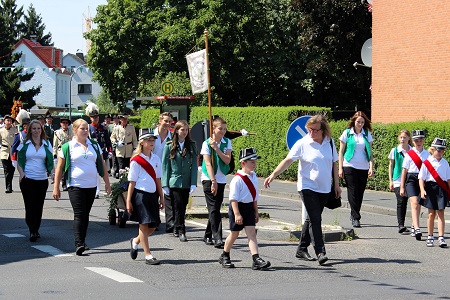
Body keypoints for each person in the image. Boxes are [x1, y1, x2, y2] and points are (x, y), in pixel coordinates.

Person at [264, 115, 340, 265]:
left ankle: (301, 249)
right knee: (316, 219)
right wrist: (273, 174)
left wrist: (336, 185)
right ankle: (320, 251)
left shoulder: (329, 142)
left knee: (311, 219)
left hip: (324, 187)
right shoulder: (302, 143)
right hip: (307, 186)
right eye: (309, 129)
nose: (312, 133)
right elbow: (288, 160)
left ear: (323, 130)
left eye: (315, 130)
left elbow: (334, 163)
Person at [52, 119, 111, 255]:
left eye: (87, 129)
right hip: (75, 185)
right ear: (75, 130)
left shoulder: (94, 145)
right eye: (82, 128)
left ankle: (83, 241)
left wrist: (107, 183)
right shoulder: (68, 146)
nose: (85, 131)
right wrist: (56, 187)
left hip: (91, 185)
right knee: (79, 214)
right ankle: (79, 243)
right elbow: (59, 168)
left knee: (85, 214)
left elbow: (102, 165)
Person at [219, 147, 271, 270]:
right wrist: (237, 214)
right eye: (252, 162)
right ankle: (225, 255)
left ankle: (256, 259)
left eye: (255, 162)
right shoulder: (237, 180)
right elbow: (233, 199)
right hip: (238, 208)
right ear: (243, 163)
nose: (254, 164)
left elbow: (254, 196)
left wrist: (256, 212)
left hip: (249, 208)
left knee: (251, 233)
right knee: (234, 234)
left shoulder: (254, 176)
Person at [126, 128, 164, 265]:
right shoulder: (136, 160)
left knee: (153, 225)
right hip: (141, 195)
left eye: (153, 140)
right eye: (148, 140)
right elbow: (132, 182)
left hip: (152, 195)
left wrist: (161, 197)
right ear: (142, 142)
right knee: (144, 223)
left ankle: (136, 241)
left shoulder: (156, 159)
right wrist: (128, 200)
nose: (151, 142)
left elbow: (158, 179)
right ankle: (148, 255)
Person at [16, 120, 54, 242]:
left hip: (42, 179)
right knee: (30, 205)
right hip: (28, 179)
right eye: (34, 129)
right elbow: (20, 161)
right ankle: (32, 230)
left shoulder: (47, 144)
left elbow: (50, 162)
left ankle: (36, 228)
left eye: (38, 128)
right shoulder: (24, 144)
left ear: (41, 130)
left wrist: (52, 173)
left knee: (39, 206)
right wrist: (22, 174)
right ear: (30, 130)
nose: (36, 131)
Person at [161, 120, 197, 242]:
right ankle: (181, 229)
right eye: (182, 130)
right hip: (174, 181)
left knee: (183, 205)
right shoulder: (169, 145)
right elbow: (165, 166)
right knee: (177, 205)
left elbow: (193, 166)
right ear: (176, 130)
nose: (185, 132)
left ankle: (176, 226)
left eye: (186, 130)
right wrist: (165, 184)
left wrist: (193, 182)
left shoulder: (191, 145)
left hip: (186, 182)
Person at [201, 116, 232, 249]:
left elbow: (227, 160)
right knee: (213, 208)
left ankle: (207, 234)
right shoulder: (206, 143)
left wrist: (217, 148)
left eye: (224, 129)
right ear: (214, 128)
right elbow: (208, 164)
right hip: (209, 178)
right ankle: (218, 238)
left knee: (216, 209)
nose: (223, 131)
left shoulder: (227, 142)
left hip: (221, 178)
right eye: (220, 128)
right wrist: (213, 181)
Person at [338, 111, 374, 228]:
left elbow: (370, 152)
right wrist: (340, 168)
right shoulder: (347, 133)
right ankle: (355, 217)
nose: (360, 124)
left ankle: (354, 213)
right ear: (354, 121)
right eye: (358, 121)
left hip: (363, 166)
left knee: (360, 192)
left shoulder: (366, 134)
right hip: (349, 165)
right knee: (352, 191)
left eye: (362, 122)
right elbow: (341, 151)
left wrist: (371, 167)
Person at [418, 138, 449, 248]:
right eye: (438, 150)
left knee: (441, 212)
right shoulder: (427, 162)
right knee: (431, 213)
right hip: (430, 188)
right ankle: (430, 236)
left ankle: (441, 237)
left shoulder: (445, 163)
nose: (440, 152)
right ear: (433, 149)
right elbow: (421, 178)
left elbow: (448, 179)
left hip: (441, 189)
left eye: (442, 150)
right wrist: (422, 190)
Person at [400, 130, 429, 241]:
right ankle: (417, 228)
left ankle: (413, 224)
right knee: (414, 203)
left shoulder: (427, 154)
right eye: (416, 140)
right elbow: (404, 171)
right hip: (411, 179)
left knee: (419, 203)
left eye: (421, 139)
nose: (419, 141)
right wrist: (402, 187)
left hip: (422, 180)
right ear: (413, 140)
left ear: (423, 140)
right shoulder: (409, 154)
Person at [153, 112, 174, 233]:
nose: (167, 124)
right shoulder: (151, 135)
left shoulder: (172, 138)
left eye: (170, 122)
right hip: (152, 170)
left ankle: (170, 223)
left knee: (168, 197)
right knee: (153, 196)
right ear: (160, 121)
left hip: (167, 171)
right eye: (165, 121)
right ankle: (155, 220)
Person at [86, 103, 112, 198]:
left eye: (96, 117)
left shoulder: (104, 128)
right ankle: (96, 191)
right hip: (91, 153)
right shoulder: (88, 128)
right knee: (95, 173)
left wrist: (109, 151)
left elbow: (108, 141)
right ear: (90, 118)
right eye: (93, 117)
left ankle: (103, 187)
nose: (95, 118)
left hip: (102, 153)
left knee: (103, 171)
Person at [388, 129, 412, 233]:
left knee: (408, 202)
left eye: (404, 137)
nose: (402, 139)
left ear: (408, 138)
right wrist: (391, 180)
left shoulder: (412, 151)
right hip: (397, 179)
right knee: (401, 201)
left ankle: (412, 224)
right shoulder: (394, 151)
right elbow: (391, 165)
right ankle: (401, 225)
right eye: (401, 137)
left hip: (410, 178)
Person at [110, 112, 137, 177]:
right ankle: (121, 183)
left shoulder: (131, 127)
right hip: (120, 151)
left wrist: (135, 148)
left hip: (129, 150)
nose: (124, 120)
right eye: (123, 119)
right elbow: (112, 137)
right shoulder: (117, 128)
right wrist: (116, 143)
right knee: (121, 168)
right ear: (120, 120)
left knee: (128, 168)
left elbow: (134, 139)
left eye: (126, 119)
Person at [53, 117, 74, 191]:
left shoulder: (71, 132)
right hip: (60, 151)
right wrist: (54, 154)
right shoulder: (57, 132)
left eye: (66, 123)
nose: (65, 124)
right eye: (63, 123)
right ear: (60, 124)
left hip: (69, 151)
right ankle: (63, 184)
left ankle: (68, 182)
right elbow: (55, 144)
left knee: (68, 168)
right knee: (61, 168)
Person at [0, 115, 18, 193]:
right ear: (4, 121)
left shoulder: (15, 130)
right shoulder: (1, 131)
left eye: (10, 121)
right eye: (7, 120)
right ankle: (8, 187)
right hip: (4, 152)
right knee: (6, 169)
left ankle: (9, 184)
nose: (9, 122)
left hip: (13, 152)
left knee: (12, 169)